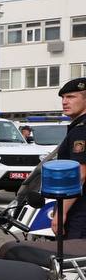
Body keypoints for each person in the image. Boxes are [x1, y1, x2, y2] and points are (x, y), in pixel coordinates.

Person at [51, 77, 86, 238]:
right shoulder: (77, 127)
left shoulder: (81, 130)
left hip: (80, 211)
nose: (65, 102)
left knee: (74, 257)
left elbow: (80, 174)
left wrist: (61, 213)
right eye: (63, 98)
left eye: (71, 97)